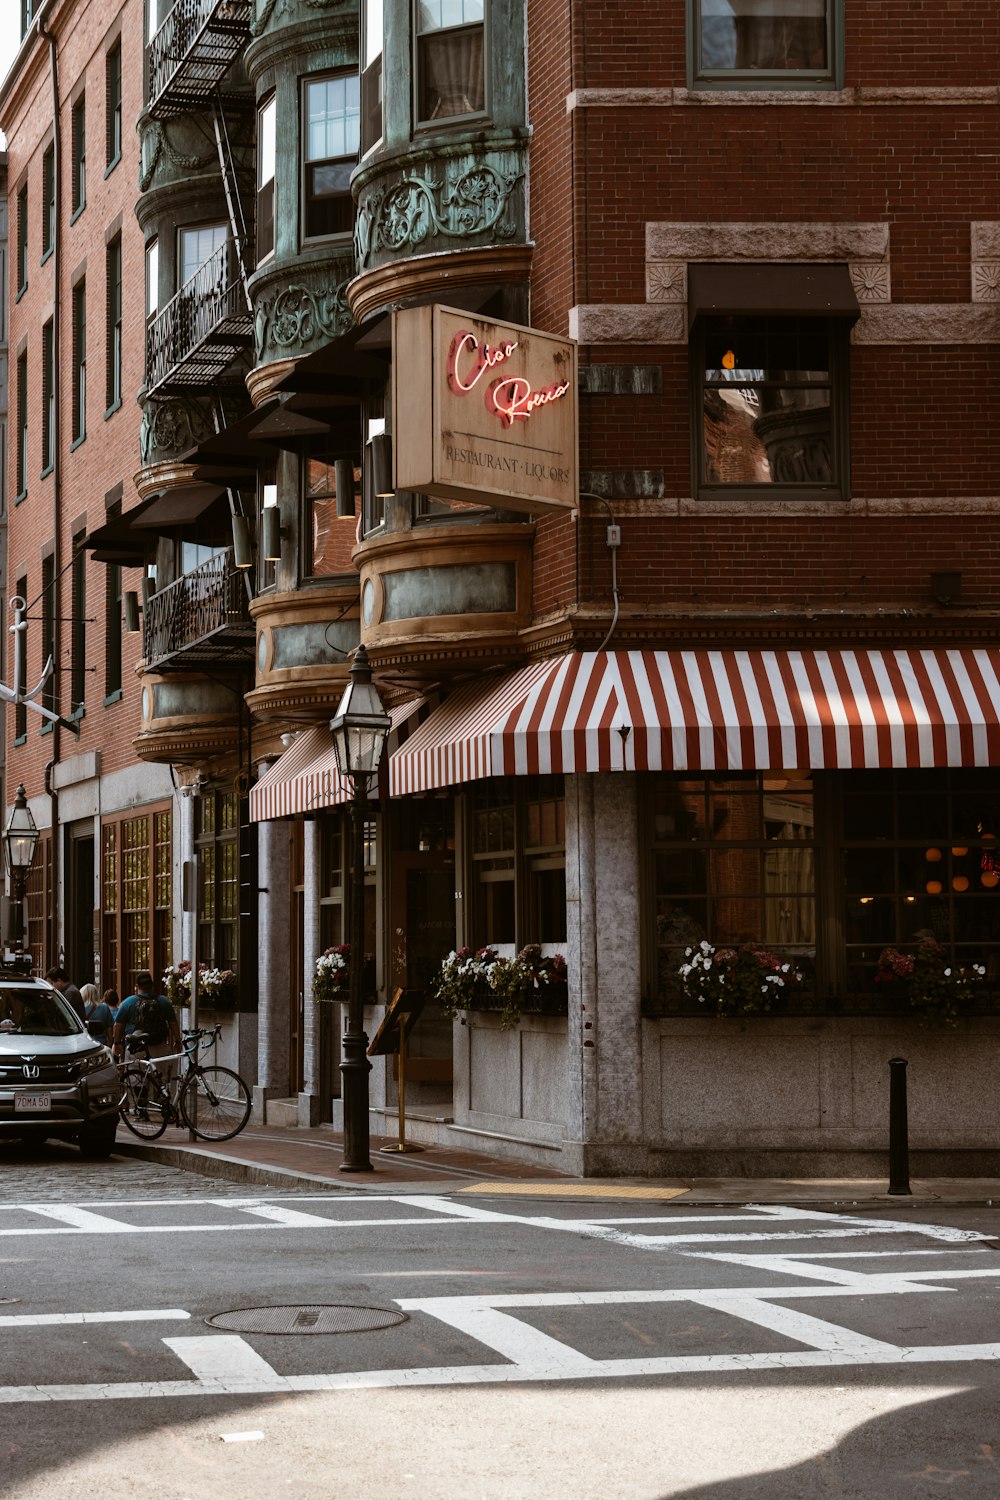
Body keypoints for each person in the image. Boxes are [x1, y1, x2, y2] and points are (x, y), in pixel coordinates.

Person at [112, 970, 181, 1086]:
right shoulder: (164, 1001)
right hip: (159, 1046)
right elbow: (173, 1023)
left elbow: (118, 1025)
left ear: (137, 986)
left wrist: (117, 1043)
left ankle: (141, 1100)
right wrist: (178, 1041)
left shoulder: (128, 1002)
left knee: (137, 1079)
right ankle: (160, 1100)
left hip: (136, 1048)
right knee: (160, 1079)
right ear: (152, 985)